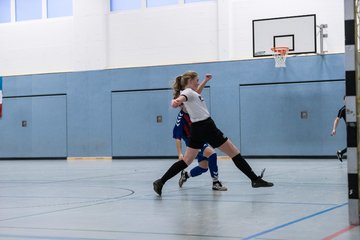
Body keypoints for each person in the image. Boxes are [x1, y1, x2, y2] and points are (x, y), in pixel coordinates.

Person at [153, 71, 273, 196]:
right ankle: (254, 179)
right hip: (207, 127)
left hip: (196, 128)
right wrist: (176, 101)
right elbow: (181, 98)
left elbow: (196, 92)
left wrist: (206, 81)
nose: (198, 82)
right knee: (234, 152)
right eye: (197, 80)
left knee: (186, 161)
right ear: (190, 81)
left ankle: (160, 182)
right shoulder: (187, 92)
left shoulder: (192, 93)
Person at [172, 75, 227, 191]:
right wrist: (180, 154)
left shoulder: (193, 108)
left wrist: (205, 81)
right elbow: (177, 137)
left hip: (200, 139)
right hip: (193, 143)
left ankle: (185, 175)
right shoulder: (182, 117)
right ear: (183, 104)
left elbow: (196, 93)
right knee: (212, 154)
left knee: (203, 168)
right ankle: (216, 182)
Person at [331, 98, 346, 162]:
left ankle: (341, 152)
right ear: (344, 101)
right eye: (346, 100)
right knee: (353, 144)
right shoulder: (342, 109)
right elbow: (337, 119)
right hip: (351, 129)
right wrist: (334, 129)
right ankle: (341, 152)